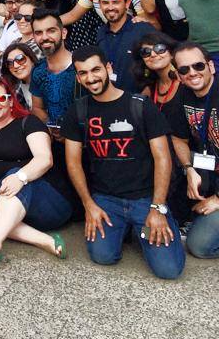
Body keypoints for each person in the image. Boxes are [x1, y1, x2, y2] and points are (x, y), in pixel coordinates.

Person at [61, 46, 184, 279]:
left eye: (96, 70)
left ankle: (146, 227)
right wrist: (89, 205)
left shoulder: (140, 105)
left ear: (108, 68)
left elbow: (163, 158)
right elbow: (73, 163)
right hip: (106, 200)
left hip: (146, 199)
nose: (91, 78)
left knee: (168, 270)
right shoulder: (78, 111)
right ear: (78, 77)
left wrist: (158, 208)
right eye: (83, 73)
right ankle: (127, 229)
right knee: (103, 256)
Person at [0, 78, 71, 271]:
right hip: (2, 194)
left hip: (45, 200)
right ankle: (43, 240)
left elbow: (44, 159)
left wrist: (20, 177)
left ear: (11, 101)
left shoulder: (29, 122)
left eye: (1, 98)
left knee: (13, 175)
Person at [163, 42, 219, 259]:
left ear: (211, 66)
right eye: (184, 69)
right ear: (178, 75)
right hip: (210, 167)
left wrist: (217, 199)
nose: (192, 73)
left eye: (198, 66)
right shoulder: (182, 96)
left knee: (200, 247)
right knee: (167, 154)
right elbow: (178, 138)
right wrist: (189, 170)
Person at [95, 0, 153, 94]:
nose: (110, 7)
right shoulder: (101, 32)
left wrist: (149, 86)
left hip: (138, 99)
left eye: (115, 2)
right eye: (105, 3)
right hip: (110, 97)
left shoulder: (142, 29)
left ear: (127, 4)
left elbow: (162, 58)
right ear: (100, 5)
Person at [29, 9, 79, 127]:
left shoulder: (81, 66)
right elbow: (37, 108)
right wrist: (52, 126)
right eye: (38, 33)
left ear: (64, 33)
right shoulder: (37, 71)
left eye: (51, 31)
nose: (44, 37)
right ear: (33, 37)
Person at [1, 41, 39, 108]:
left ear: (32, 59)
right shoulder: (19, 87)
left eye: (20, 59)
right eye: (10, 63)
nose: (16, 66)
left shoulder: (47, 81)